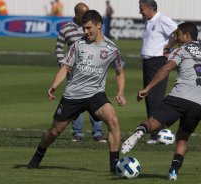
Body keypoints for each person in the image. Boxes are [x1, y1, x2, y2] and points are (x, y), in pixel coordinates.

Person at [121, 22, 201, 180]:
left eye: (178, 35)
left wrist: (148, 88)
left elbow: (166, 68)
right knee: (183, 138)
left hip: (179, 97)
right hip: (199, 105)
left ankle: (139, 133)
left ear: (187, 35)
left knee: (153, 123)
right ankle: (173, 172)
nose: (176, 38)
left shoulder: (182, 49)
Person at [27, 10, 126, 174]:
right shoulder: (78, 45)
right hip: (72, 95)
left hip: (95, 94)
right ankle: (38, 155)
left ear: (99, 25)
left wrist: (120, 91)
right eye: (83, 29)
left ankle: (114, 165)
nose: (85, 32)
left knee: (113, 120)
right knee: (54, 132)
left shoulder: (112, 49)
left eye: (88, 28)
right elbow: (65, 67)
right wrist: (54, 85)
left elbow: (120, 72)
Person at [55, 3, 106, 143]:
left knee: (95, 99)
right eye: (83, 14)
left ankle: (98, 133)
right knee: (74, 100)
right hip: (74, 73)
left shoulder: (92, 27)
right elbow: (59, 49)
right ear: (77, 15)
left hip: (92, 71)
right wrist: (63, 64)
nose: (86, 16)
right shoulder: (66, 29)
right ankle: (77, 133)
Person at [138, 0, 178, 144]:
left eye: (141, 9)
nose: (140, 11)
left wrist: (168, 47)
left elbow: (178, 32)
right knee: (150, 97)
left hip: (157, 62)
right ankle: (157, 132)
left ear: (150, 8)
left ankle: (157, 134)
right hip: (148, 62)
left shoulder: (162, 19)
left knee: (155, 97)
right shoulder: (149, 21)